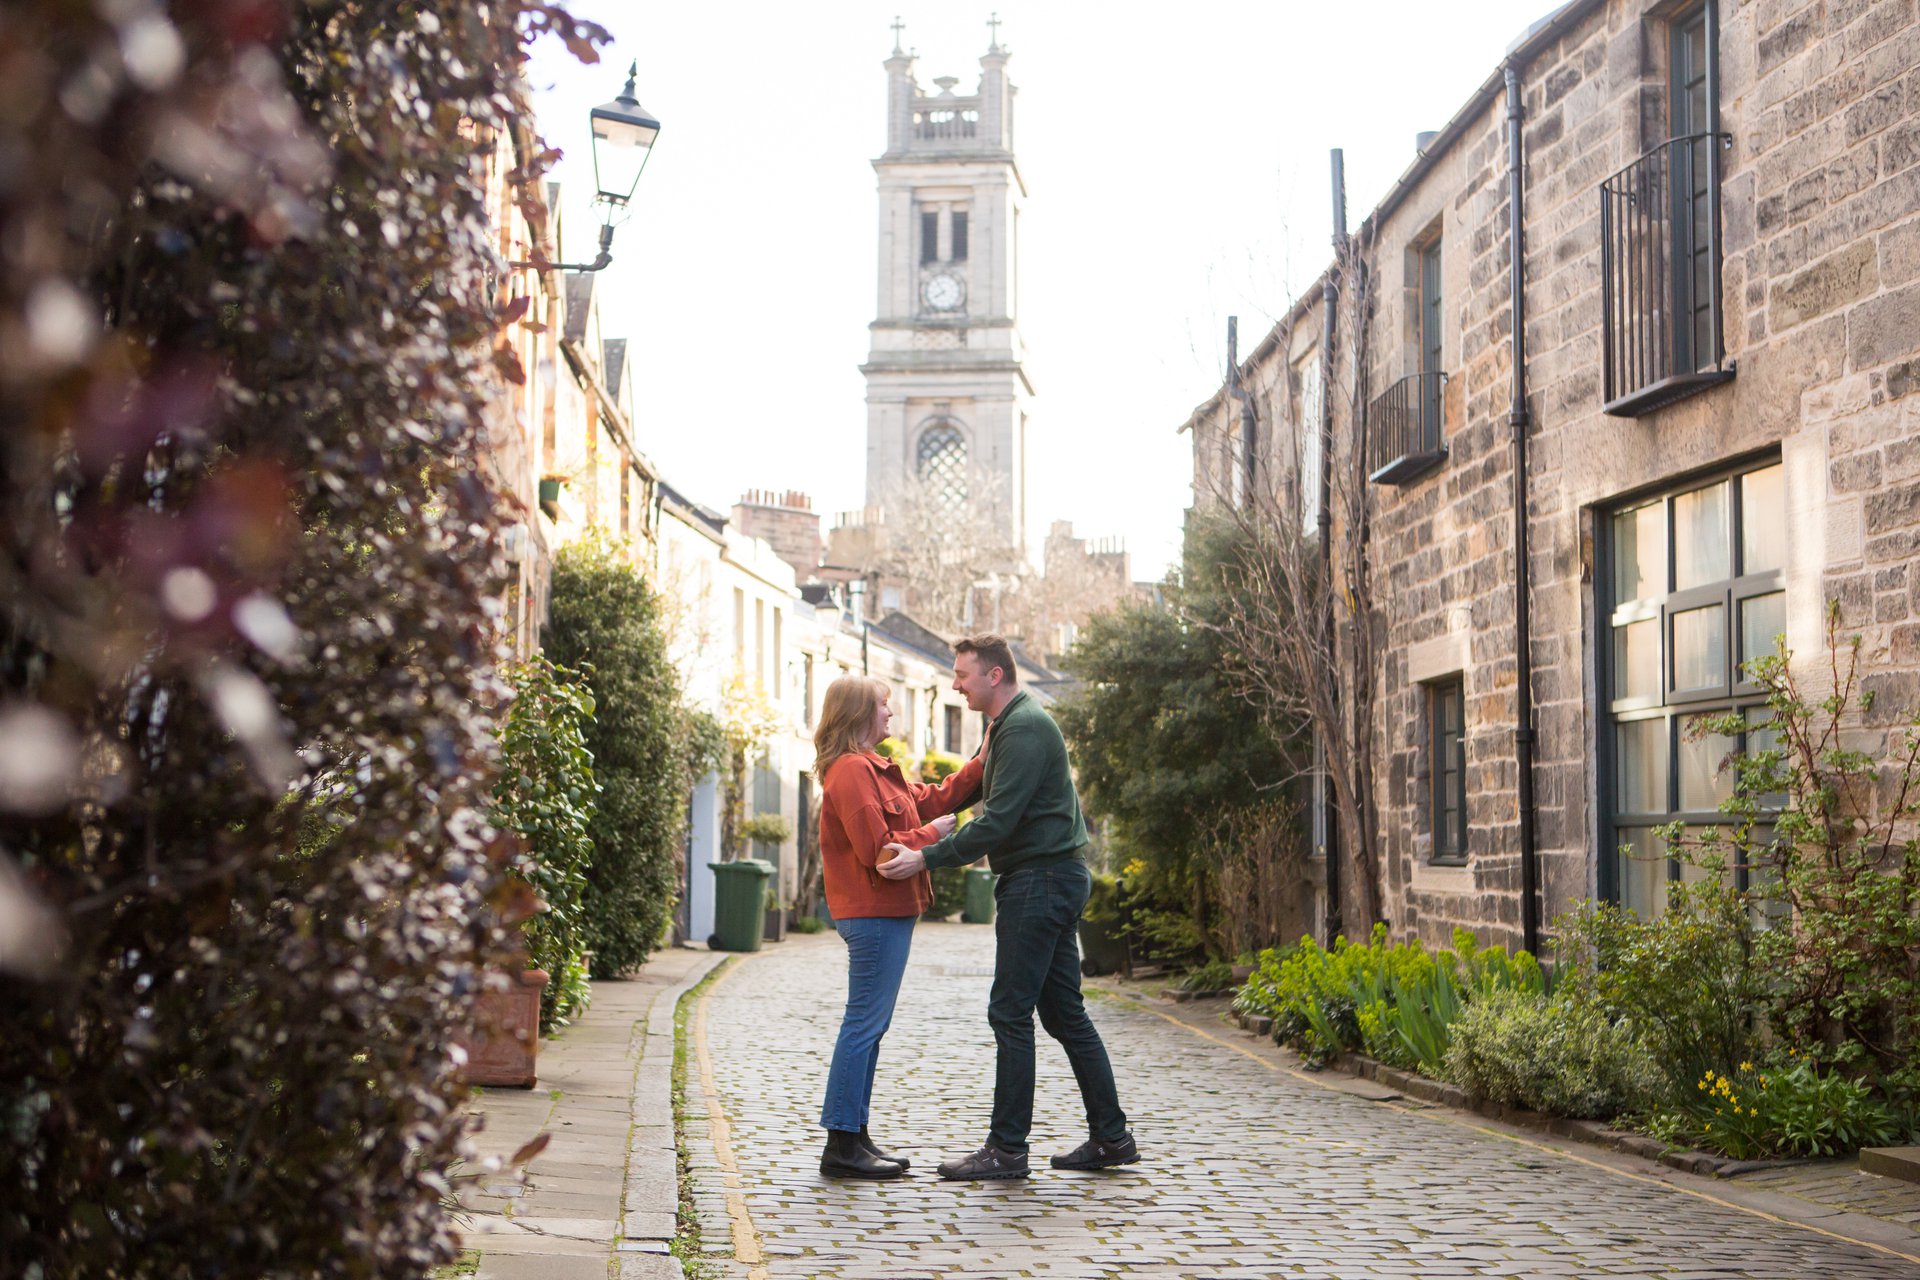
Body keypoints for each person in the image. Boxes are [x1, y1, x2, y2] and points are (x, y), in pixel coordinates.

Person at [879, 634, 1136, 1181]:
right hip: (1050, 877)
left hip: (1040, 881)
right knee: (1064, 1014)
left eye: (962, 674)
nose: (955, 684)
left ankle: (1007, 1149)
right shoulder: (1005, 726)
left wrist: (924, 858)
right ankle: (1112, 1138)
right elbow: (969, 792)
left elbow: (998, 821)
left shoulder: (1022, 728)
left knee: (1010, 1013)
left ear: (994, 675)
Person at [813, 674, 982, 1179]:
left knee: (871, 1024)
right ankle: (841, 1145)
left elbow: (931, 797)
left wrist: (983, 758)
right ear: (860, 713)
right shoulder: (851, 771)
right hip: (873, 912)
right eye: (883, 705)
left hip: (884, 911)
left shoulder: (873, 768)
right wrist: (932, 835)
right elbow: (877, 850)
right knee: (864, 1023)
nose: (890, 713)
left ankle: (854, 1134)